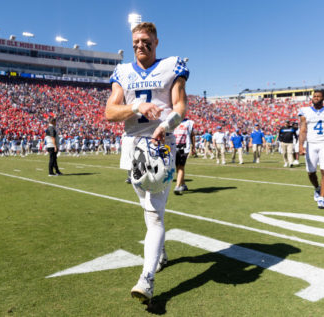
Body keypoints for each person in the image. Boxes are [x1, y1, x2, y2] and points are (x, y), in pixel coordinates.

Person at [105, 22, 189, 304]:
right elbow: (110, 111)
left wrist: (166, 125)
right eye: (136, 41)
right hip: (132, 146)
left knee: (153, 214)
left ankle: (147, 280)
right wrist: (136, 106)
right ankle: (161, 252)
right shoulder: (123, 72)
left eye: (146, 40)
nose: (140, 44)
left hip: (161, 143)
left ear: (156, 41)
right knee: (149, 209)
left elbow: (180, 107)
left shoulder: (172, 66)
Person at [298, 90, 324, 209]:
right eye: (314, 96)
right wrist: (300, 146)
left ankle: (322, 198)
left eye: (318, 96)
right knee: (311, 172)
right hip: (311, 144)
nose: (315, 98)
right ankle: (317, 188)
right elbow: (303, 130)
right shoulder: (305, 111)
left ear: (323, 98)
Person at [173, 118, 195, 194]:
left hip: (184, 147)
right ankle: (183, 184)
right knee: (177, 167)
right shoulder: (173, 120)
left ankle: (177, 186)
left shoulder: (189, 122)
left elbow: (192, 135)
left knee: (181, 166)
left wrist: (193, 147)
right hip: (174, 147)